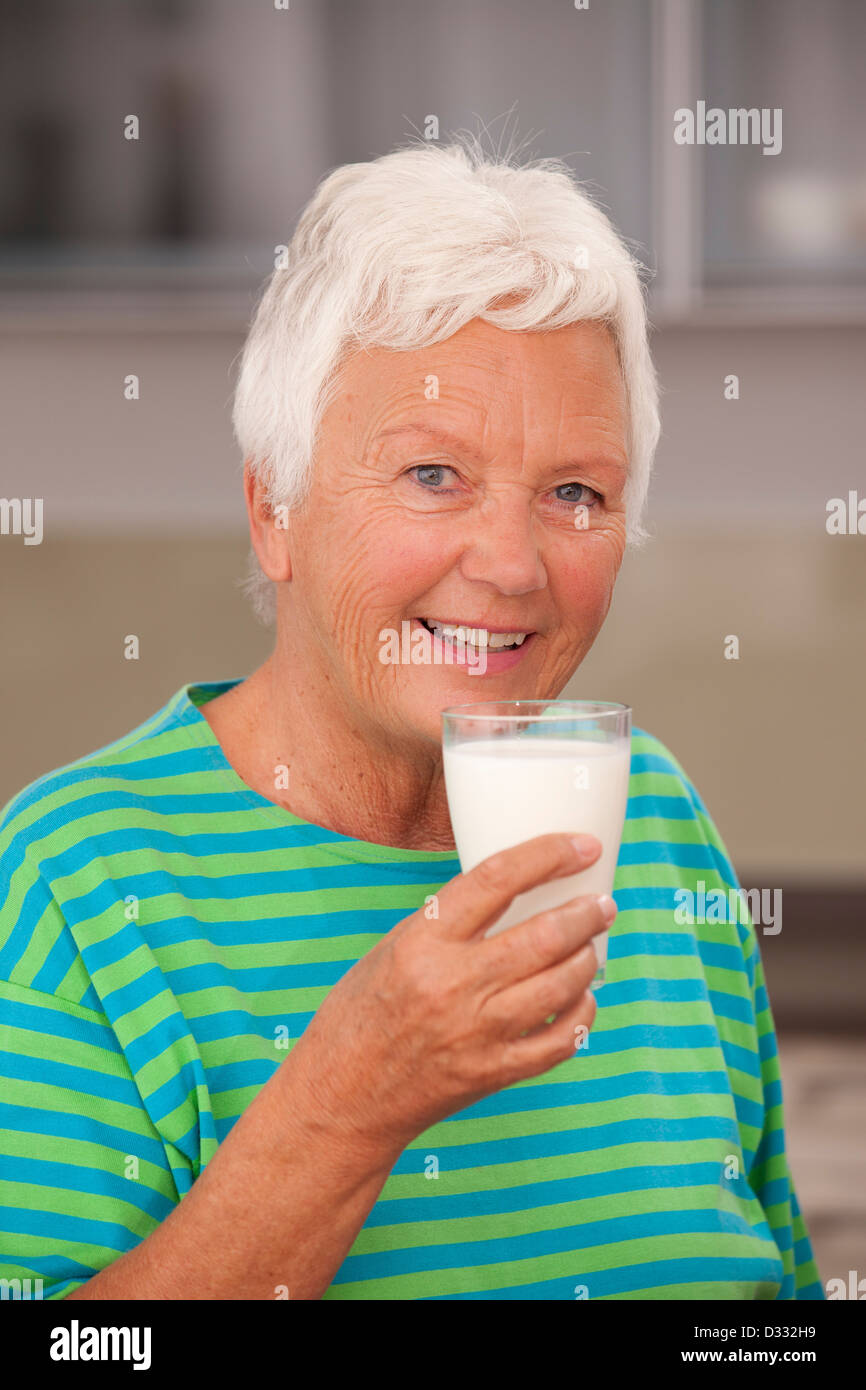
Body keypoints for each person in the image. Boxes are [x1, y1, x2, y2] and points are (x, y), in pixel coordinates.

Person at [0, 140, 822, 1300]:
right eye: (433, 474)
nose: (509, 563)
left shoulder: (653, 817)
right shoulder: (75, 887)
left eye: (573, 491)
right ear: (271, 513)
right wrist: (348, 1102)